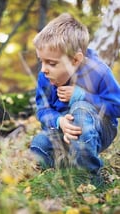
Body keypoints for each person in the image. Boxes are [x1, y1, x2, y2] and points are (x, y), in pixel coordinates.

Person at [30, 13, 120, 184]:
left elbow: (117, 106)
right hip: (64, 130)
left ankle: (89, 178)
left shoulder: (98, 71)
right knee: (38, 145)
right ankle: (68, 165)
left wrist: (83, 96)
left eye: (51, 63)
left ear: (76, 59)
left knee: (80, 107)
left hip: (99, 128)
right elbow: (43, 109)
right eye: (41, 61)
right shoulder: (45, 77)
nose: (43, 69)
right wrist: (59, 121)